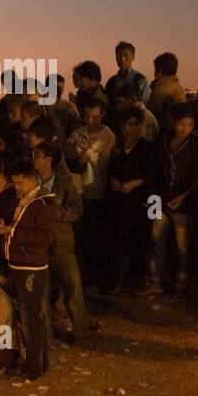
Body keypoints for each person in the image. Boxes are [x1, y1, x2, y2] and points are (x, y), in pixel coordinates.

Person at [0, 159, 58, 379]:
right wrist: (4, 226)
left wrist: (11, 232)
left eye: (20, 183)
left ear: (32, 180)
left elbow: (45, 238)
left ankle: (33, 368)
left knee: (33, 320)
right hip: (18, 264)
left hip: (32, 268)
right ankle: (39, 363)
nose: (17, 187)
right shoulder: (22, 199)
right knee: (30, 317)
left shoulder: (44, 204)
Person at [34, 141, 90, 342]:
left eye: (37, 156)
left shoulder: (64, 184)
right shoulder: (30, 182)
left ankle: (80, 332)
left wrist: (60, 214)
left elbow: (78, 208)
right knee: (43, 290)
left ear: (47, 159)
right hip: (40, 242)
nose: (33, 159)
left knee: (72, 286)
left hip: (61, 241)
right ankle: (45, 335)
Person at [149, 103, 198, 297]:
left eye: (189, 125)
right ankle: (156, 280)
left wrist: (184, 196)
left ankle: (181, 280)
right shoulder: (161, 142)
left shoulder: (197, 146)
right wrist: (153, 200)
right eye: (182, 124)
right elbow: (153, 173)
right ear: (173, 122)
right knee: (155, 238)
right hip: (159, 199)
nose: (185, 129)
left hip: (184, 202)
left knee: (182, 245)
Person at [68, 99, 115, 291]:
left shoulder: (108, 135)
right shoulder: (77, 134)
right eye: (86, 115)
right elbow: (68, 158)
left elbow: (109, 163)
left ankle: (97, 278)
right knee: (81, 238)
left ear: (102, 114)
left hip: (99, 191)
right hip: (80, 192)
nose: (89, 119)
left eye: (94, 116)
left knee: (97, 237)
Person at [109, 108, 153, 293]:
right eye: (129, 124)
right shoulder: (118, 147)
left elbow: (153, 175)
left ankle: (135, 281)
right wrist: (113, 180)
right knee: (119, 240)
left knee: (137, 241)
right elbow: (111, 169)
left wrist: (135, 183)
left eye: (136, 124)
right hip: (119, 202)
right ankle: (118, 280)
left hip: (139, 202)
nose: (133, 128)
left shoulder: (147, 148)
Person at [103, 41, 150, 106]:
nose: (122, 59)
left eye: (126, 55)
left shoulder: (140, 80)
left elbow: (145, 104)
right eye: (119, 56)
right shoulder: (111, 82)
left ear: (133, 57)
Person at [148, 52, 187, 129]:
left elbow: (150, 114)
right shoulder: (178, 86)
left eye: (155, 69)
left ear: (160, 70)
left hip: (164, 131)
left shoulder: (160, 89)